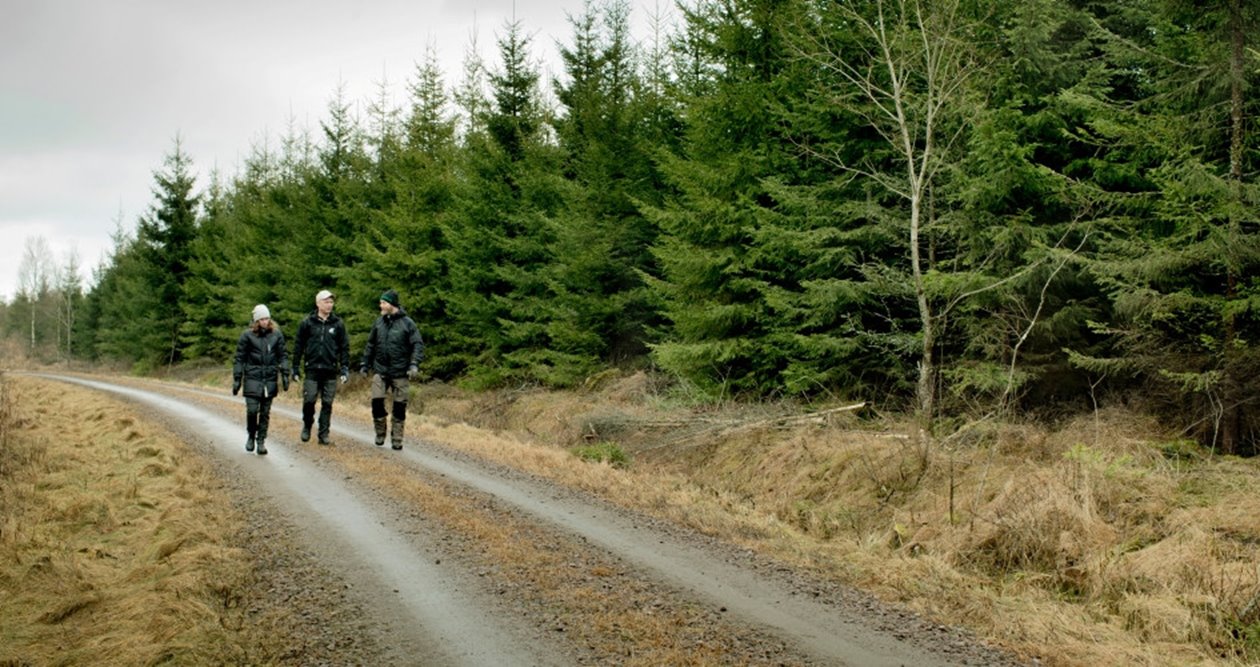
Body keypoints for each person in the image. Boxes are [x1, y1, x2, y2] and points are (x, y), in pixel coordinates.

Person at [359, 288, 424, 450]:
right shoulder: (378, 322)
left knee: (400, 406)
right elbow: (370, 344)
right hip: (380, 370)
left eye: (383, 302)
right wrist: (364, 365)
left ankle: (397, 439)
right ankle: (380, 433)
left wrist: (414, 364)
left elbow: (417, 344)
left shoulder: (408, 323)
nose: (380, 305)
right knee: (376, 402)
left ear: (392, 304)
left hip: (400, 372)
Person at [291, 289, 350, 445]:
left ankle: (324, 434)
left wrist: (344, 367)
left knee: (327, 403)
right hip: (312, 368)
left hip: (330, 369)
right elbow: (299, 346)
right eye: (326, 302)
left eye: (331, 302)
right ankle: (307, 425)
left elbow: (344, 347)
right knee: (309, 399)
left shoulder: (338, 324)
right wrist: (295, 367)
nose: (329, 305)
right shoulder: (307, 323)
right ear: (318, 303)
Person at [232, 304, 289, 455]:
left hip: (269, 379)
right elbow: (239, 358)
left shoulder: (276, 335)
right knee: (252, 411)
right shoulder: (247, 336)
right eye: (262, 319)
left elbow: (283, 355)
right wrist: (237, 378)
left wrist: (285, 374)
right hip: (252, 378)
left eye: (267, 318)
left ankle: (261, 441)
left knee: (265, 413)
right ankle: (251, 435)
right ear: (256, 321)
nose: (265, 321)